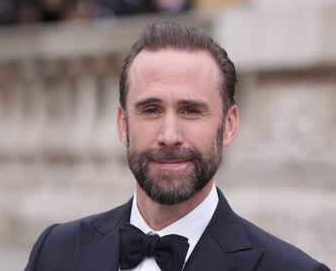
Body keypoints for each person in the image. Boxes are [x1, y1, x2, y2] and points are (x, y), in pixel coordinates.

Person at [25, 22, 330, 271]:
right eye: (151, 110)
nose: (169, 135)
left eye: (191, 110)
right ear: (122, 123)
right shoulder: (56, 252)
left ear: (229, 125)